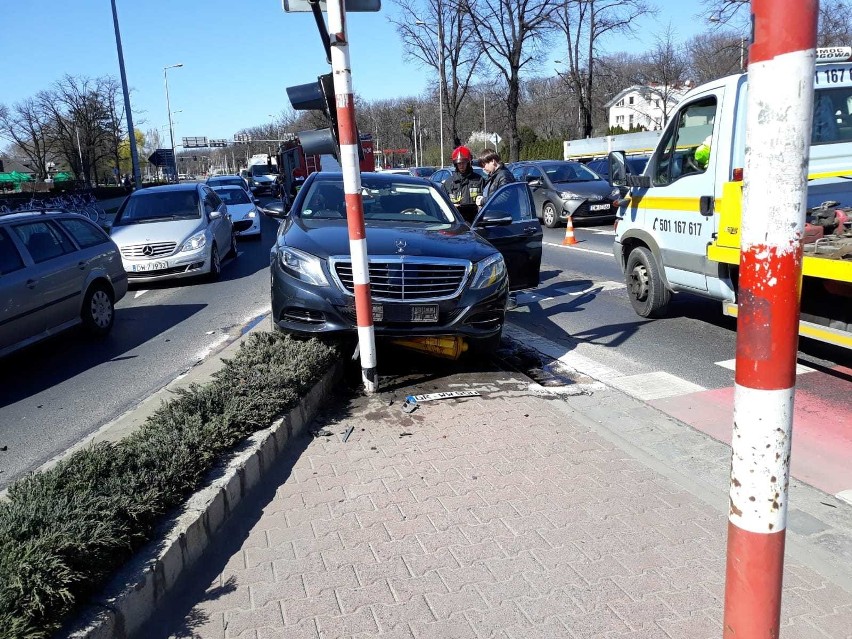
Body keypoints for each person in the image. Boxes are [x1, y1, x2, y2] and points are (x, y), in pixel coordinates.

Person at [442, 146, 483, 223]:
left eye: (464, 163)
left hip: (475, 222)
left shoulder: (479, 180)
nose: (461, 166)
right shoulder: (448, 183)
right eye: (459, 163)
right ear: (455, 164)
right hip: (455, 222)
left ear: (469, 162)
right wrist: (451, 206)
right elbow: (441, 205)